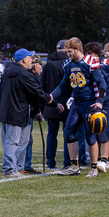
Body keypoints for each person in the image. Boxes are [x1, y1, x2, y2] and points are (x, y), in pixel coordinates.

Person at [49, 37, 107, 177]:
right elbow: (63, 85)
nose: (67, 54)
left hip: (89, 103)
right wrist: (51, 95)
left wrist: (100, 101)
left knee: (90, 135)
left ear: (77, 49)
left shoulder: (89, 62)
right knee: (69, 132)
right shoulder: (68, 65)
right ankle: (74, 166)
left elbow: (102, 83)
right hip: (76, 103)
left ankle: (93, 167)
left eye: (69, 51)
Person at [0, 49, 57, 177]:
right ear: (23, 59)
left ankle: (15, 167)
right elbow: (37, 92)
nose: (31, 60)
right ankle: (9, 169)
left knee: (14, 141)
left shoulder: (8, 71)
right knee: (13, 142)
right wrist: (51, 101)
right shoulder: (24, 74)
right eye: (29, 58)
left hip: (7, 111)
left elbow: (0, 92)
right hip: (17, 111)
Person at [40, 40, 68, 170]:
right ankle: (68, 161)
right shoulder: (68, 63)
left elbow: (42, 85)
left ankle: (50, 162)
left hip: (51, 104)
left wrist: (46, 102)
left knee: (52, 134)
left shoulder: (48, 64)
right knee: (69, 134)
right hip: (68, 104)